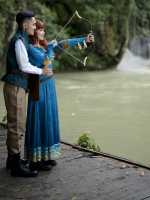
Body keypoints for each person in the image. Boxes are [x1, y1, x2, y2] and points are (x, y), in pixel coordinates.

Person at [24, 20, 94, 172]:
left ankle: (47, 156)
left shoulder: (43, 46)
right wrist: (50, 48)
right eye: (40, 30)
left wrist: (84, 40)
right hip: (39, 88)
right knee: (40, 120)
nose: (43, 32)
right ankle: (35, 161)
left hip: (49, 86)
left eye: (43, 30)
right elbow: (45, 62)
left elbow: (64, 43)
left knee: (49, 118)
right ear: (34, 32)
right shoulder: (31, 49)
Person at [1, 11, 52, 177]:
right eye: (33, 22)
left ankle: (12, 160)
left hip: (18, 86)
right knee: (16, 126)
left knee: (15, 124)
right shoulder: (19, 41)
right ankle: (16, 167)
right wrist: (41, 71)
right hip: (15, 87)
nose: (35, 26)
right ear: (24, 24)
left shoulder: (21, 39)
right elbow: (24, 66)